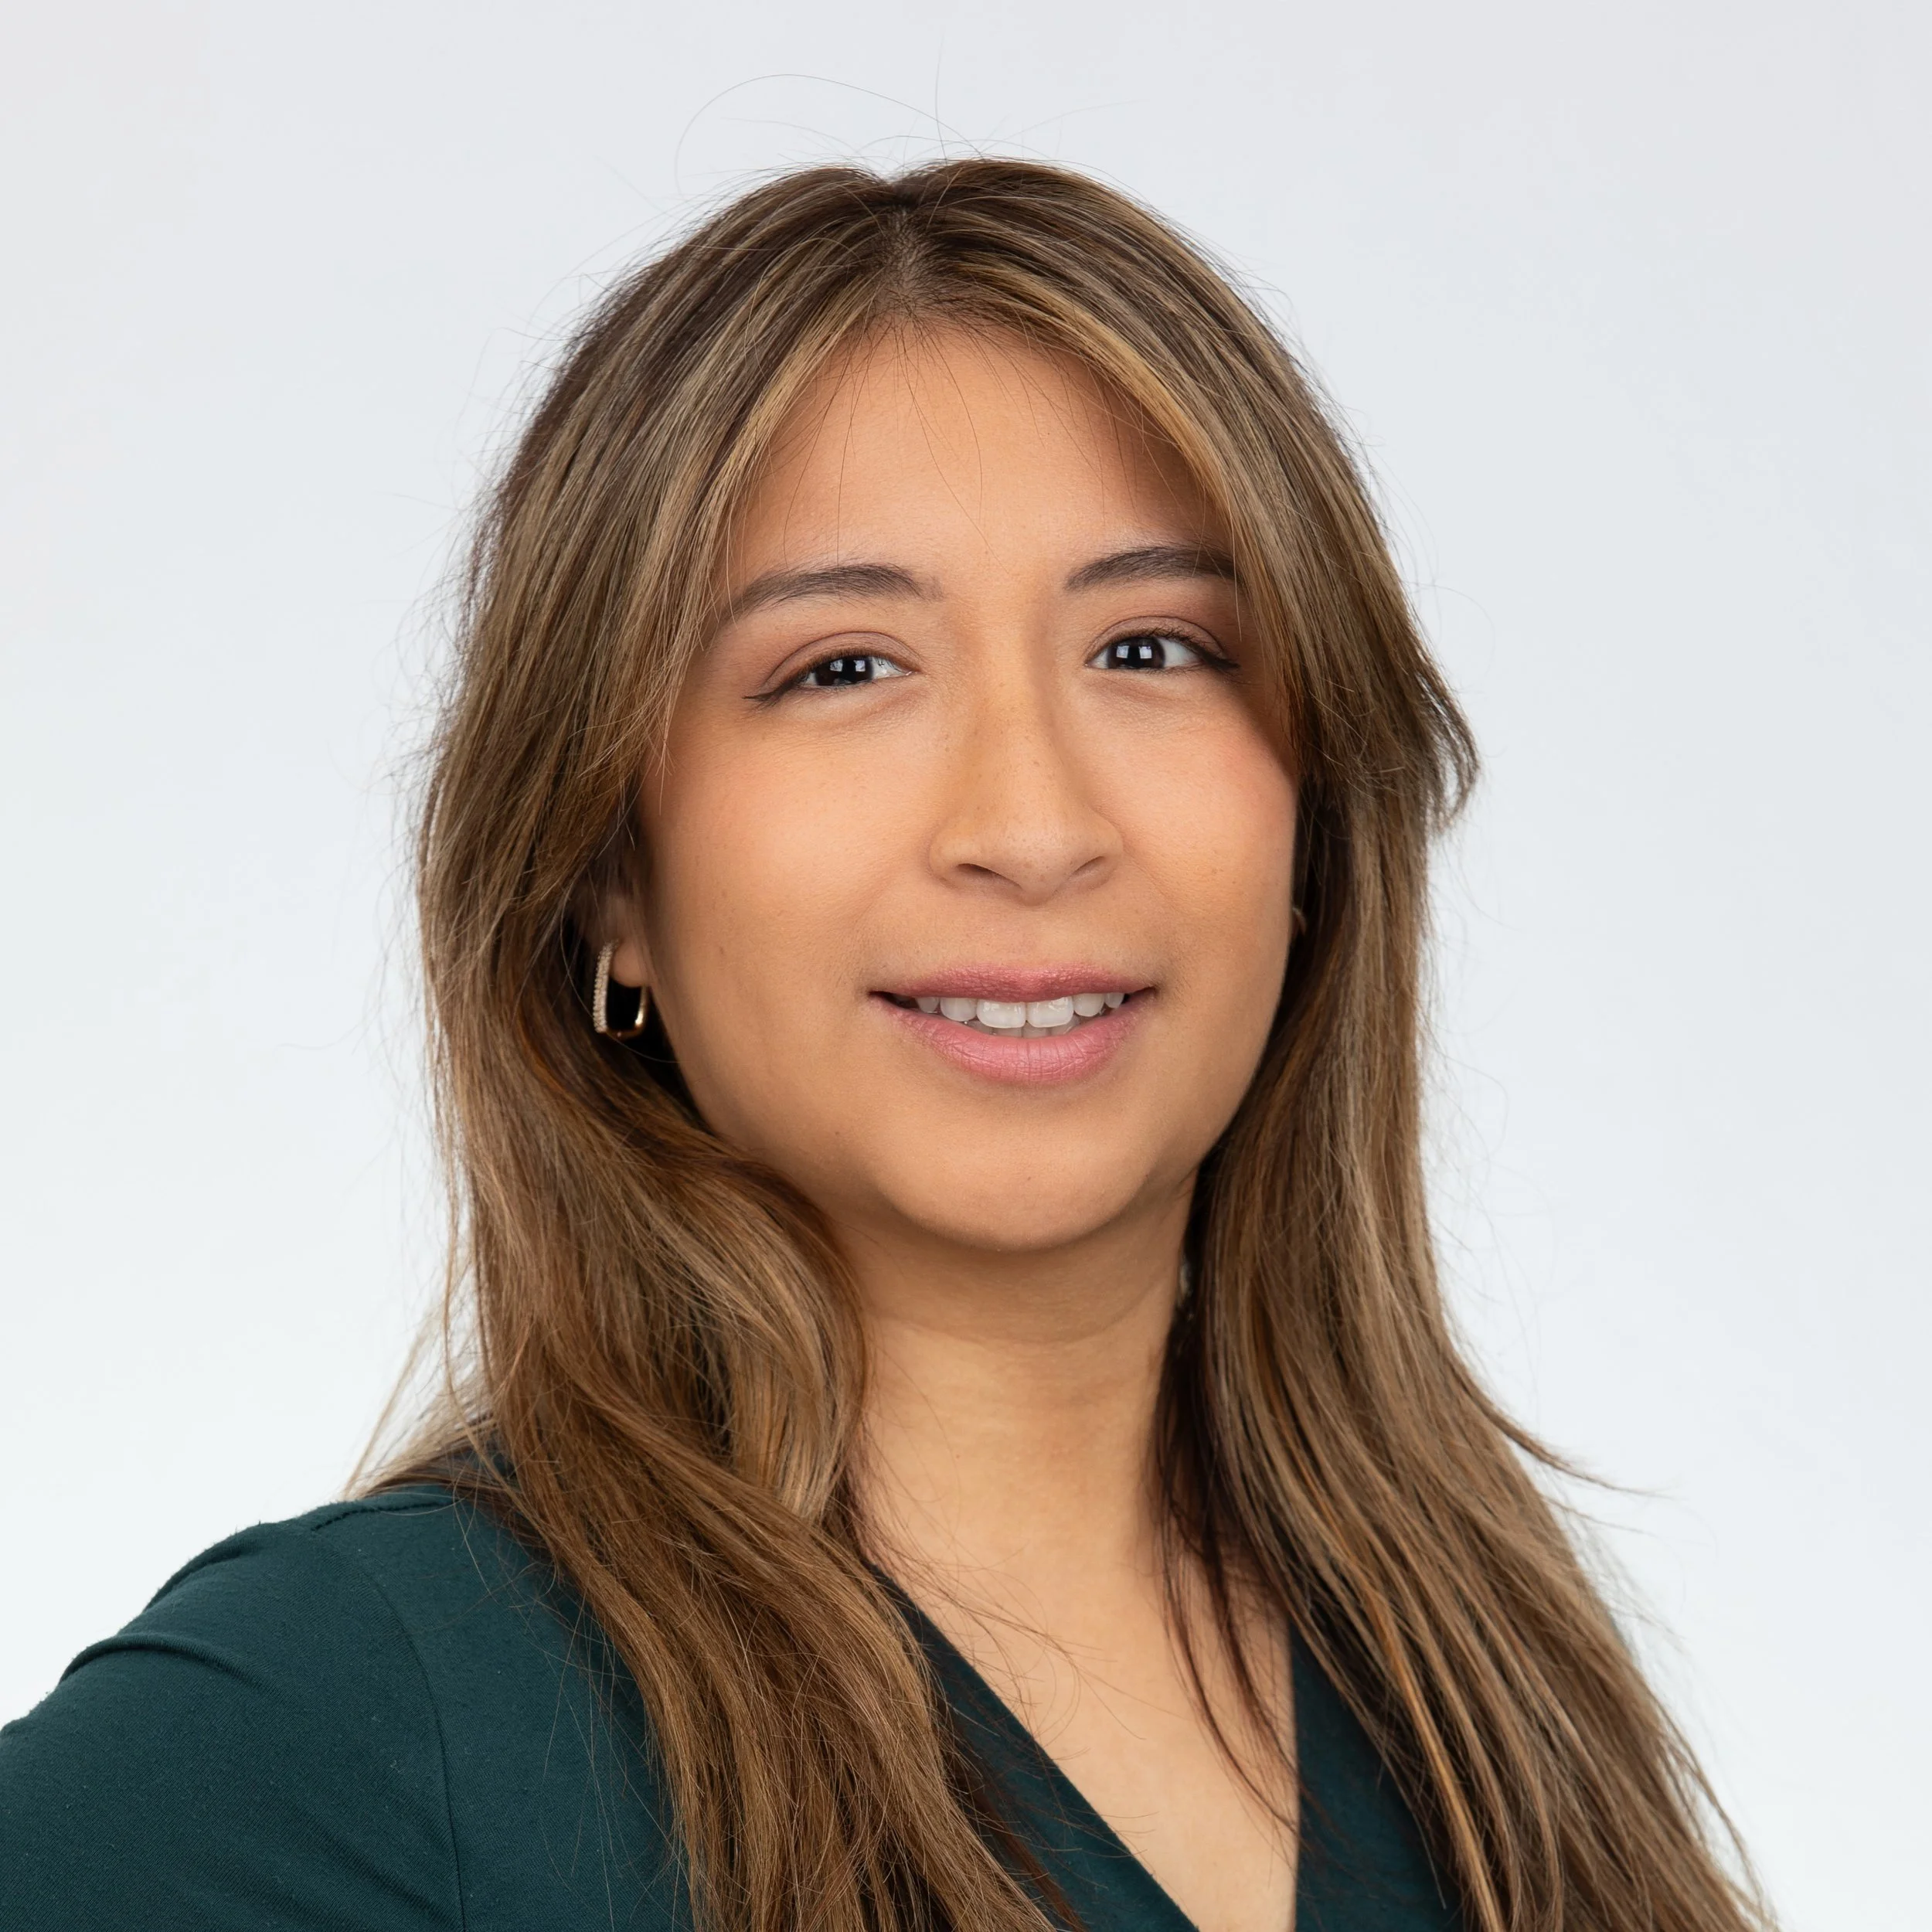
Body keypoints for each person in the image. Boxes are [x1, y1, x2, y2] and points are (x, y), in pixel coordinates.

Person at [0, 160, 1767, 1932]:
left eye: (1150, 645)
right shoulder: (362, 1722)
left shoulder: (1482, 1695)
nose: (1028, 819)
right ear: (604, 867)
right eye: (842, 666)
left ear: (1312, 830)